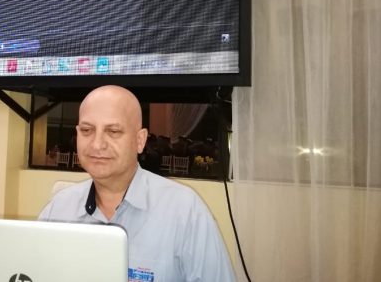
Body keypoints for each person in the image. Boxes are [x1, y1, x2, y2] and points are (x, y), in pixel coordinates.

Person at [38, 85, 235, 282]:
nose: (97, 144)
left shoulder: (185, 212)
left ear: (140, 140)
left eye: (113, 131)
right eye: (87, 130)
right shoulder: (57, 210)